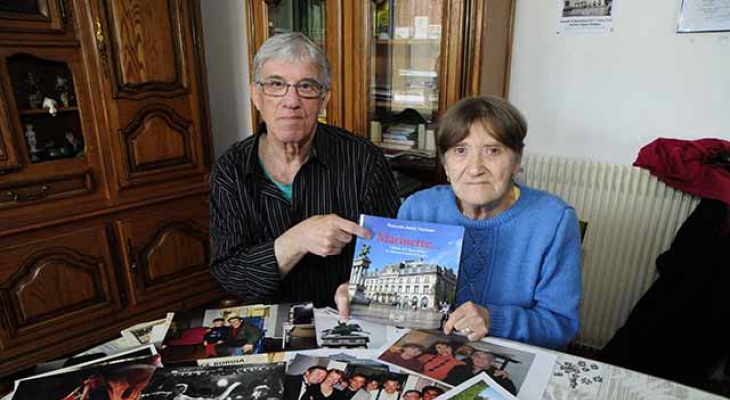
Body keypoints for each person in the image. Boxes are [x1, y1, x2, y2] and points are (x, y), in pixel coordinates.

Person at [210, 32, 400, 307]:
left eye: (307, 87)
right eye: (276, 84)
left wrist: (360, 288)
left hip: (347, 316)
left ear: (324, 98)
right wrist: (297, 239)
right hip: (269, 322)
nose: (292, 101)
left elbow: (391, 251)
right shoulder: (231, 169)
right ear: (256, 95)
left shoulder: (363, 159)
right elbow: (230, 273)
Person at [398, 96, 581, 349]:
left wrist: (493, 319)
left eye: (493, 151)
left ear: (517, 161)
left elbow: (560, 325)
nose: (475, 168)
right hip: (424, 351)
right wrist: (356, 297)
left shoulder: (554, 221)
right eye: (460, 151)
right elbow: (397, 306)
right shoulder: (418, 209)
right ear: (446, 165)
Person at [444, 351, 517, 395]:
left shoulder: (498, 375)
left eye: (486, 358)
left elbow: (510, 393)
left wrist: (508, 377)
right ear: (472, 357)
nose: (480, 359)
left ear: (491, 361)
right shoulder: (459, 368)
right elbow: (445, 383)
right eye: (478, 356)